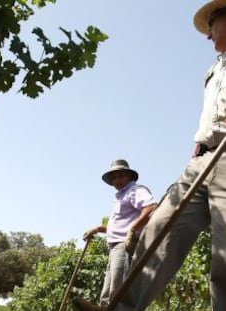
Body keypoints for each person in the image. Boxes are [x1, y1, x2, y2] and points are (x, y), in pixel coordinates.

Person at [74, 1, 226, 310]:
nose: (207, 35)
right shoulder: (213, 70)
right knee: (160, 228)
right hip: (200, 161)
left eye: (211, 25)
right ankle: (121, 308)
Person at [82, 159, 157, 307]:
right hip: (115, 247)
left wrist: (133, 229)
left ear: (129, 176)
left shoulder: (135, 190)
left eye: (121, 175)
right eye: (114, 177)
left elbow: (151, 207)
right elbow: (118, 226)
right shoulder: (121, 197)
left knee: (118, 291)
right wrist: (97, 229)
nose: (117, 180)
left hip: (124, 245)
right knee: (107, 293)